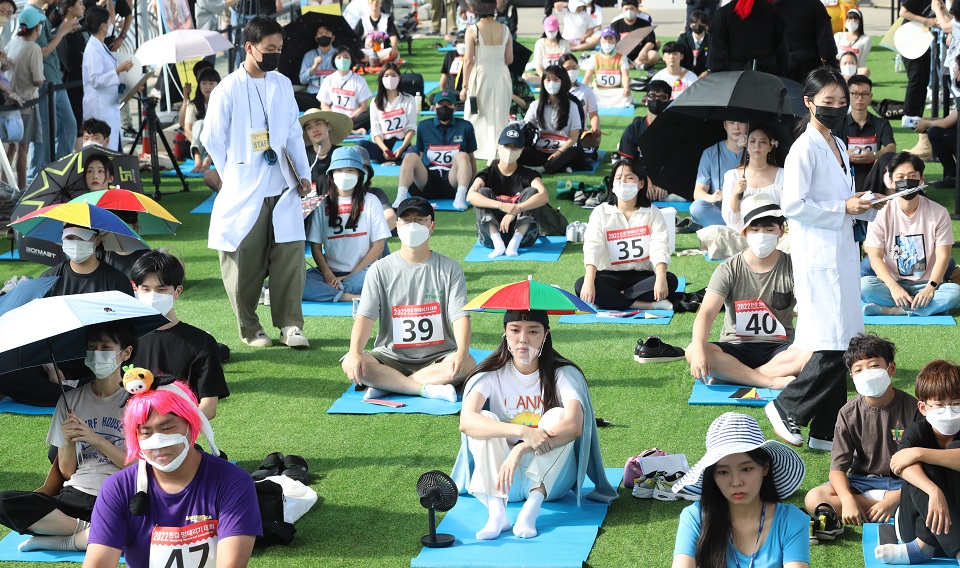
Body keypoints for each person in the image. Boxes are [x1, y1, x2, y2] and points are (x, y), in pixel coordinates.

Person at [765, 66, 880, 450]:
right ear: (809, 102)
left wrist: (866, 205)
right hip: (818, 253)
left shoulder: (840, 143)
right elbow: (793, 205)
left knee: (845, 339)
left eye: (842, 103)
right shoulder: (803, 148)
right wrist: (842, 206)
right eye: (828, 102)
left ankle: (825, 430)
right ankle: (787, 407)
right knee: (831, 343)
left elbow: (845, 201)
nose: (836, 108)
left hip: (842, 249)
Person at [453, 309, 618, 540]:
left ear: (545, 334)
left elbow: (574, 425)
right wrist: (520, 432)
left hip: (552, 482)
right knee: (485, 420)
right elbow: (467, 421)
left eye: (533, 331)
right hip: (505, 478)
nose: (523, 339)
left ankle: (531, 509)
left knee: (557, 416)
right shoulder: (490, 374)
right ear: (505, 333)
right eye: (515, 330)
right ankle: (497, 513)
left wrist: (523, 446)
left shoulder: (563, 373)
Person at [200, 16, 312, 349]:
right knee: (243, 262)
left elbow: (293, 132)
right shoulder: (228, 88)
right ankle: (250, 328)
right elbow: (212, 137)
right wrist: (234, 171)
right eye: (269, 49)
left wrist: (303, 173)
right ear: (249, 47)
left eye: (279, 48)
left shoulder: (281, 83)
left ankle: (290, 325)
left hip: (282, 184)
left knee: (289, 256)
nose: (276, 54)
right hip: (244, 188)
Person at [83, 382, 261, 567]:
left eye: (167, 428)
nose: (158, 441)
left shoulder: (233, 482)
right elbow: (98, 563)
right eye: (145, 432)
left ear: (191, 423)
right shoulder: (118, 487)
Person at [0, 323, 135, 553]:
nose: (97, 353)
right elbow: (67, 471)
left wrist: (96, 439)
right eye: (92, 348)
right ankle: (88, 530)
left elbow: (138, 466)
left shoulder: (138, 402)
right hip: (75, 496)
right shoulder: (69, 400)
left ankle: (71, 540)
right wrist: (70, 441)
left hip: (118, 496)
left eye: (105, 347)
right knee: (5, 502)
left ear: (126, 353)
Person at [342, 197, 474, 403]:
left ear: (432, 226)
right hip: (390, 357)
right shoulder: (380, 269)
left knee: (466, 364)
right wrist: (355, 353)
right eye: (406, 220)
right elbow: (365, 317)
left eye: (420, 220)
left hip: (438, 357)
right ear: (397, 226)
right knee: (352, 361)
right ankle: (425, 389)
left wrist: (462, 353)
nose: (413, 225)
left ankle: (390, 384)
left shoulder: (449, 268)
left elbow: (460, 317)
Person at [687, 194, 808, 390]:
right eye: (755, 229)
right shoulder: (728, 268)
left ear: (781, 232)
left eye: (769, 229)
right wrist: (700, 351)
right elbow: (707, 312)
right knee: (693, 350)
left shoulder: (793, 267)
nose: (762, 235)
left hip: (780, 349)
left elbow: (808, 310)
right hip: (735, 347)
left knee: (811, 353)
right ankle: (767, 380)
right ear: (744, 232)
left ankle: (735, 375)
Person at [803, 334, 921, 529]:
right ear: (851, 375)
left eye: (874, 366)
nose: (866, 373)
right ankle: (898, 510)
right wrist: (847, 499)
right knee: (815, 498)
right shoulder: (848, 413)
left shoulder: (913, 408)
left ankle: (894, 505)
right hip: (862, 483)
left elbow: (926, 465)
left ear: (891, 368)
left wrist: (893, 498)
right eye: (858, 369)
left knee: (938, 489)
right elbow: (837, 470)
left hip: (906, 483)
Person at [671, 412, 810, 568]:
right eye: (723, 472)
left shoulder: (792, 520)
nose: (736, 482)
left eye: (746, 469)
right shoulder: (695, 517)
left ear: (765, 467)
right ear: (713, 476)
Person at [874, 360, 960, 564]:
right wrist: (934, 491)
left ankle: (923, 548)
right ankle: (937, 548)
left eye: (956, 404)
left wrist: (920, 453)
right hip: (913, 525)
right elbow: (900, 465)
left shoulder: (920, 446)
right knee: (919, 469)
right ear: (923, 407)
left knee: (950, 453)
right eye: (939, 405)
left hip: (955, 517)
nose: (948, 411)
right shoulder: (917, 431)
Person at [132, 250, 229, 421]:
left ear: (177, 292)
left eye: (161, 289)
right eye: (145, 289)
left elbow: (209, 405)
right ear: (136, 289)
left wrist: (172, 428)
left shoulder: (201, 343)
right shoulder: (123, 338)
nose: (152, 296)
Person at [862, 152, 960, 317]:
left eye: (912, 176)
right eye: (900, 177)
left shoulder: (939, 213)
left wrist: (930, 288)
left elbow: (943, 256)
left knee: (955, 293)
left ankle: (895, 310)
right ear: (891, 182)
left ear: (921, 180)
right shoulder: (880, 213)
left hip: (926, 283)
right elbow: (875, 257)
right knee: (864, 286)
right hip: (891, 283)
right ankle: (922, 308)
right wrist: (894, 287)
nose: (906, 181)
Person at [575, 158, 680, 311]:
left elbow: (660, 245)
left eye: (629, 178)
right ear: (612, 183)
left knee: (670, 280)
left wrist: (661, 277)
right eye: (618, 178)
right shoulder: (601, 212)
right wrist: (590, 280)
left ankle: (612, 299)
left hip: (642, 276)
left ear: (641, 183)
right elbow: (593, 246)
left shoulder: (652, 213)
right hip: (609, 276)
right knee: (581, 284)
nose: (623, 182)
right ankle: (647, 305)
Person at [304, 147, 389, 303]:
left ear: (359, 174)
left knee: (381, 278)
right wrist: (328, 275)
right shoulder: (322, 204)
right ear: (331, 174)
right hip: (331, 272)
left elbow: (379, 246)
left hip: (363, 272)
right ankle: (350, 296)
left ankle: (335, 291)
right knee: (300, 283)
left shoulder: (371, 201)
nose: (345, 174)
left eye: (350, 170)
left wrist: (352, 275)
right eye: (340, 170)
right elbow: (316, 247)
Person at [467, 124, 549, 258]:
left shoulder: (528, 174)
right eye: (506, 146)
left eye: (515, 147)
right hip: (489, 238)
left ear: (522, 149)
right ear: (498, 145)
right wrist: (501, 205)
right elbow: (470, 196)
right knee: (482, 193)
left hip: (524, 237)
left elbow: (544, 196)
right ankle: (498, 243)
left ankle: (514, 243)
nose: (510, 151)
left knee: (532, 192)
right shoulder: (487, 173)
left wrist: (516, 209)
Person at [393, 90, 477, 210]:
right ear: (433, 108)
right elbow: (421, 155)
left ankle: (460, 197)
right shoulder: (424, 126)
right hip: (428, 179)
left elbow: (471, 158)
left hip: (452, 179)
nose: (444, 108)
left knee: (463, 155)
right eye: (441, 104)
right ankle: (400, 197)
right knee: (410, 156)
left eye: (448, 104)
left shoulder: (465, 126)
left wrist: (472, 185)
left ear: (455, 108)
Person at [24, 0, 79, 177]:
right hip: (44, 83)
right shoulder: (32, 14)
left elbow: (45, 44)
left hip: (54, 80)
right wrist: (62, 31)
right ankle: (37, 180)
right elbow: (40, 51)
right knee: (43, 136)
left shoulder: (39, 13)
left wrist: (61, 31)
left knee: (68, 125)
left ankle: (57, 175)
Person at [461, 1, 512, 162]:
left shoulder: (472, 30)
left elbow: (468, 60)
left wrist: (464, 85)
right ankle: (499, 148)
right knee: (500, 113)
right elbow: (509, 59)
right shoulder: (505, 29)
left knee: (478, 113)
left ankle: (479, 149)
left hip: (481, 74)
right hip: (501, 74)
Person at [519, 66, 587, 175]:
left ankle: (543, 169)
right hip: (540, 150)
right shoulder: (535, 105)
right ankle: (558, 166)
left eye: (556, 80)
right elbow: (527, 128)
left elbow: (574, 138)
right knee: (518, 152)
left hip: (563, 150)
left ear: (563, 81)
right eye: (548, 80)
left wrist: (559, 152)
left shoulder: (572, 106)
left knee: (578, 153)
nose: (551, 83)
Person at [81, 7, 130, 153]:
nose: (111, 24)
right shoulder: (93, 50)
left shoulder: (101, 46)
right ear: (103, 26)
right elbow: (95, 80)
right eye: (109, 22)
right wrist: (118, 70)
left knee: (111, 149)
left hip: (109, 105)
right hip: (98, 108)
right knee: (101, 151)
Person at [5, 9, 45, 189]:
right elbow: (38, 80)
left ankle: (4, 186)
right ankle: (21, 189)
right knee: (23, 149)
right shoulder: (34, 48)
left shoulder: (13, 42)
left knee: (10, 149)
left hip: (9, 104)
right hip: (26, 105)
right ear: (37, 27)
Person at [835, 75, 895, 192]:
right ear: (848, 96)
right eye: (855, 94)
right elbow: (828, 151)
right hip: (845, 172)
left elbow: (891, 148)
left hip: (874, 171)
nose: (859, 98)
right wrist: (845, 155)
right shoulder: (838, 124)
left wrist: (873, 156)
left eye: (864, 94)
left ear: (870, 96)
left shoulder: (881, 123)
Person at [720, 124, 783, 233]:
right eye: (752, 141)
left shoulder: (783, 175)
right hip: (741, 234)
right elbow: (731, 220)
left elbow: (787, 213)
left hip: (773, 236)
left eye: (763, 142)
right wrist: (736, 194)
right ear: (745, 144)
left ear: (771, 146)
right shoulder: (732, 176)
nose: (757, 146)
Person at [41, 226, 134, 297]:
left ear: (97, 240)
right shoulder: (48, 280)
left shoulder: (118, 281)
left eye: (82, 238)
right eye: (69, 237)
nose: (76, 243)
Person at [705, 0, 789, 76]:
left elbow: (716, 60)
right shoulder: (772, 11)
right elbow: (782, 54)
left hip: (734, 81)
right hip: (768, 78)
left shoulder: (723, 14)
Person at [690, 120, 746, 228]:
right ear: (725, 125)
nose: (736, 127)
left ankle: (734, 229)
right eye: (731, 122)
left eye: (741, 122)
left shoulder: (754, 151)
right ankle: (736, 229)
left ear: (748, 124)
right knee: (697, 207)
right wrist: (712, 197)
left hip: (747, 208)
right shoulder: (710, 153)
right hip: (720, 210)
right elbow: (698, 192)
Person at [358, 62, 417, 164]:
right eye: (386, 76)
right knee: (360, 145)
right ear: (381, 79)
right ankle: (384, 157)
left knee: (414, 151)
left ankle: (399, 157)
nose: (390, 78)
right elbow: (375, 130)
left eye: (393, 75)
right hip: (383, 146)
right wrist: (385, 150)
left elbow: (411, 128)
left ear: (399, 78)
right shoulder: (375, 102)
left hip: (402, 144)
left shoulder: (409, 99)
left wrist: (402, 148)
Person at [772, 0, 837, 83]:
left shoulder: (773, 7)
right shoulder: (815, 4)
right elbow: (826, 44)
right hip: (810, 66)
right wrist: (832, 70)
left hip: (781, 67)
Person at [316, 47, 373, 133]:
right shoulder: (328, 79)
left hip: (353, 119)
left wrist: (349, 118)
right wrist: (334, 118)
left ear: (351, 60)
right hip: (333, 118)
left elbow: (363, 107)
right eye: (339, 57)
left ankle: (342, 129)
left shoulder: (359, 80)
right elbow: (324, 104)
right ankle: (350, 130)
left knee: (369, 115)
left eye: (346, 57)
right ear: (334, 60)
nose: (342, 60)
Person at [300, 108, 351, 195]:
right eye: (309, 127)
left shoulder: (342, 154)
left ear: (328, 126)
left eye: (318, 124)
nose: (314, 130)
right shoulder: (301, 156)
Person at [57, 0, 86, 151]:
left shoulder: (78, 30)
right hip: (70, 86)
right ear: (69, 8)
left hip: (80, 84)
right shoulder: (63, 32)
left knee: (79, 123)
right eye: (80, 4)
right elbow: (71, 62)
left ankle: (80, 161)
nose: (83, 7)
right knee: (73, 124)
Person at [582, 27, 631, 109]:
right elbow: (588, 77)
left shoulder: (622, 57)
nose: (607, 42)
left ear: (616, 40)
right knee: (589, 94)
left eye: (611, 38)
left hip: (616, 92)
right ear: (600, 40)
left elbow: (625, 75)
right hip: (598, 92)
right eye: (605, 38)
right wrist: (582, 90)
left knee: (627, 96)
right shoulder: (594, 57)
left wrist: (626, 87)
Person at [183, 68, 220, 174]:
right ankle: (198, 160)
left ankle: (207, 161)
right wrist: (201, 143)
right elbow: (187, 129)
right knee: (199, 124)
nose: (207, 87)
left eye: (211, 83)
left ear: (218, 84)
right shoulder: (193, 105)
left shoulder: (222, 103)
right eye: (204, 83)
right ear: (199, 85)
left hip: (218, 144)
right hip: (199, 143)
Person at [609, 0, 659, 70]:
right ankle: (631, 66)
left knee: (654, 55)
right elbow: (610, 41)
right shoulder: (616, 24)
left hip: (639, 56)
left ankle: (633, 65)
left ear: (636, 10)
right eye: (626, 9)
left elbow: (651, 41)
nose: (629, 11)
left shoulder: (645, 23)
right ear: (622, 10)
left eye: (632, 9)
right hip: (621, 54)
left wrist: (644, 51)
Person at [354, 0, 399, 66]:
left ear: (381, 3)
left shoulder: (387, 19)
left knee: (394, 53)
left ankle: (373, 62)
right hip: (367, 52)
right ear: (369, 4)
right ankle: (377, 62)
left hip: (382, 52)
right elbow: (355, 36)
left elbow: (393, 36)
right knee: (353, 52)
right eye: (372, 1)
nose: (375, 3)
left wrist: (394, 47)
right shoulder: (363, 19)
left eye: (377, 1)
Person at [526, 16, 569, 85]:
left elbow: (567, 64)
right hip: (544, 78)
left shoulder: (565, 43)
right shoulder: (539, 43)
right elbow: (538, 65)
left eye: (553, 30)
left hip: (561, 78)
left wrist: (558, 78)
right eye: (549, 30)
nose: (551, 32)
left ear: (557, 28)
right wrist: (546, 78)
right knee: (525, 77)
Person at [299, 23, 337, 95]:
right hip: (314, 94)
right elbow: (302, 80)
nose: (323, 35)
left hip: (333, 95)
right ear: (316, 38)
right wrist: (313, 68)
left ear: (333, 38)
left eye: (327, 33)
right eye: (320, 33)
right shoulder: (309, 55)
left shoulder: (339, 55)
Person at [834, 9, 870, 76]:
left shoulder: (865, 39)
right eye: (849, 19)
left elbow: (862, 61)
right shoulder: (839, 36)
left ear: (860, 21)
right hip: (839, 69)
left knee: (865, 71)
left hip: (854, 69)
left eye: (854, 19)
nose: (851, 22)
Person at [677, 10, 710, 78]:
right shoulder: (683, 39)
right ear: (690, 24)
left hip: (706, 76)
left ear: (706, 25)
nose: (698, 26)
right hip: (685, 75)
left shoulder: (711, 40)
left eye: (701, 23)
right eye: (695, 23)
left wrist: (706, 73)